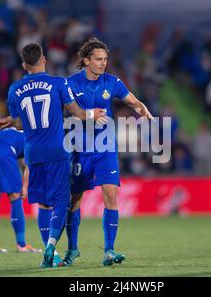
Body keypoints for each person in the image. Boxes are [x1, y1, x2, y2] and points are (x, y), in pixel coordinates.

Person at [0, 43, 106, 268]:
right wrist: (93, 113)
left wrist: (9, 121)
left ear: (24, 65)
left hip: (33, 152)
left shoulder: (15, 89)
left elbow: (22, 123)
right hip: (56, 150)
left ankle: (49, 255)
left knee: (43, 204)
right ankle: (52, 245)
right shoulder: (58, 83)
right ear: (44, 59)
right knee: (62, 201)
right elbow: (77, 113)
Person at [62, 37, 154, 267]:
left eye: (105, 59)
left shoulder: (112, 82)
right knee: (74, 201)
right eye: (98, 59)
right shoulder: (70, 84)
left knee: (111, 195)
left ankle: (109, 251)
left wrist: (142, 109)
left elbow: (133, 101)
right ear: (86, 60)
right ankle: (72, 249)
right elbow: (63, 112)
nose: (103, 63)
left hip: (105, 149)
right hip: (80, 149)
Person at [0, 127, 39, 253]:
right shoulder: (32, 137)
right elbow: (28, 165)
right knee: (15, 196)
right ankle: (21, 245)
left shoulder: (12, 132)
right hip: (3, 149)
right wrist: (25, 186)